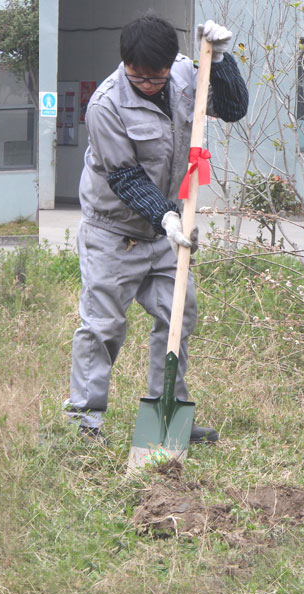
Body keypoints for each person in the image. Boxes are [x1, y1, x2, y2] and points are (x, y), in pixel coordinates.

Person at [63, 16, 248, 442]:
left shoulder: (186, 71)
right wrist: (166, 216)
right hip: (113, 231)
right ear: (124, 62)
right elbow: (125, 177)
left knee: (177, 316)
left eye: (156, 76)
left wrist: (219, 61)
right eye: (138, 76)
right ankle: (83, 423)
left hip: (167, 231)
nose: (147, 83)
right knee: (103, 325)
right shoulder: (105, 105)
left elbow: (234, 108)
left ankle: (168, 414)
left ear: (169, 64)